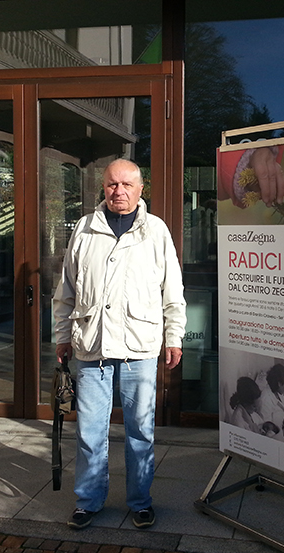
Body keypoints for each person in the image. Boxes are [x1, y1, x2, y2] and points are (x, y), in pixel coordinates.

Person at [53, 158, 187, 531]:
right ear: (104, 187)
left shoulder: (155, 231)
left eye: (127, 184)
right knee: (89, 432)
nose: (119, 191)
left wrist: (173, 336)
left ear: (141, 189)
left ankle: (140, 502)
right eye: (113, 184)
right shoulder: (85, 228)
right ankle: (88, 501)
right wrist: (62, 335)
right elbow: (66, 290)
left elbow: (172, 290)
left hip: (138, 350)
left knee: (140, 431)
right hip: (92, 347)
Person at [256, 364, 284, 443]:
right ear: (279, 384)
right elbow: (268, 429)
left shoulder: (279, 393)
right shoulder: (265, 399)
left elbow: (282, 410)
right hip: (276, 436)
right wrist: (283, 431)